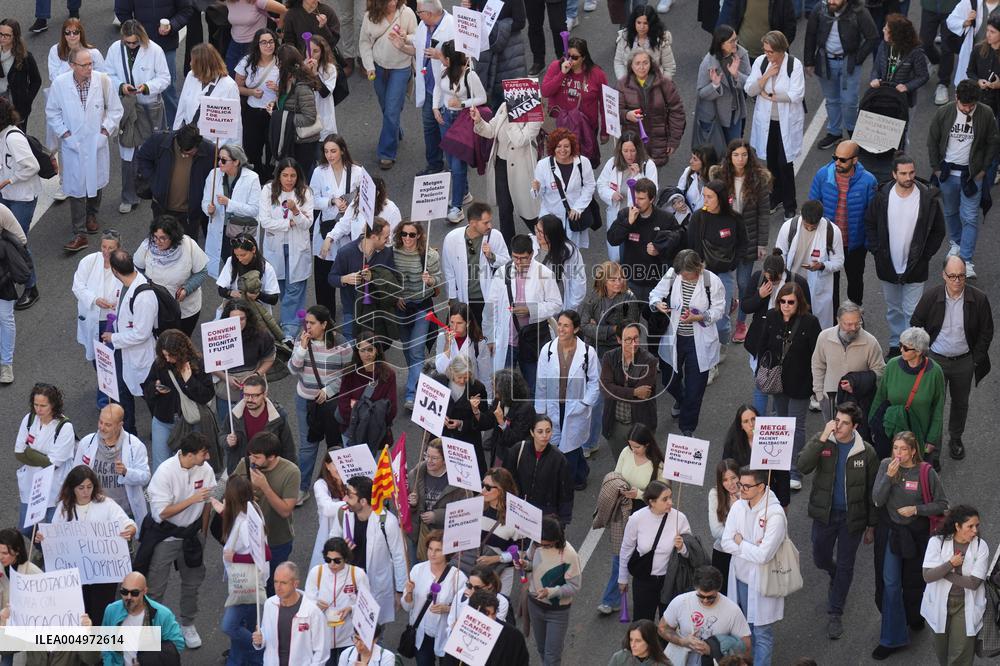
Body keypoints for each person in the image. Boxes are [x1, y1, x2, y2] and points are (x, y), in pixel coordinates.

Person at [797, 403, 879, 639]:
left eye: (844, 422)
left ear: (855, 426)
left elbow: (872, 492)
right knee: (819, 557)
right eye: (837, 420)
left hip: (852, 519)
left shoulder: (867, 452)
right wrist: (822, 438)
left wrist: (872, 526)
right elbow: (802, 466)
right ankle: (833, 573)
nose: (838, 425)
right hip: (825, 514)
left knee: (846, 564)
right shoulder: (824, 441)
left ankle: (835, 612)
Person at [871, 431, 949, 659]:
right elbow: (877, 499)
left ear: (914, 451)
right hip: (891, 534)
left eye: (903, 449)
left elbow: (942, 503)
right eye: (895, 448)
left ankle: (915, 616)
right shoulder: (886, 465)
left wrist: (917, 510)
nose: (898, 453)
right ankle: (891, 638)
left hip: (916, 535)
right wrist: (888, 477)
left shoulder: (926, 472)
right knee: (891, 583)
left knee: (914, 582)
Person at [137, 432, 217, 649]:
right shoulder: (164, 473)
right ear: (189, 454)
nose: (207, 457)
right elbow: (162, 512)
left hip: (191, 535)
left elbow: (208, 502)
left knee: (192, 584)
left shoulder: (206, 470)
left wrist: (203, 532)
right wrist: (192, 499)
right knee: (154, 587)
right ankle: (151, 628)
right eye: (203, 453)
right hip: (166, 536)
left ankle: (188, 624)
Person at [911, 256, 993, 461]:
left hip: (964, 361)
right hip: (936, 360)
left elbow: (986, 331)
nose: (957, 280)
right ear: (943, 276)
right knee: (934, 405)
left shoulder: (979, 299)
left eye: (961, 276)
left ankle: (956, 438)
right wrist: (923, 354)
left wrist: (975, 360)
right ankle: (933, 448)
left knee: (960, 403)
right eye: (953, 276)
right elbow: (916, 323)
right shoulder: (931, 297)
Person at [865, 154, 947, 355]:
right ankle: (895, 344)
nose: (908, 177)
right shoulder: (882, 197)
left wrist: (925, 255)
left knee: (913, 311)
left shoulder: (927, 198)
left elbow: (939, 230)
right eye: (903, 173)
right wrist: (877, 251)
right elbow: (870, 224)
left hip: (916, 266)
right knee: (894, 309)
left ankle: (911, 348)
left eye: (911, 172)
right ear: (894, 174)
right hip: (888, 265)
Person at [46, 46, 124, 253]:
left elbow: (116, 110)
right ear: (72, 66)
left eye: (90, 63)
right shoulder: (60, 85)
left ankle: (92, 213)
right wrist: (65, 135)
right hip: (73, 144)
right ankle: (79, 232)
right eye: (84, 65)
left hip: (96, 141)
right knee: (76, 187)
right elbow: (52, 112)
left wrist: (105, 132)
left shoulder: (103, 80)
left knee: (96, 180)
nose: (89, 68)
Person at [44, 465, 137, 621]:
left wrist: (130, 529)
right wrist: (44, 538)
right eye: (81, 488)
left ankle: (99, 643)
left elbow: (128, 523)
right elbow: (54, 534)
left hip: (103, 574)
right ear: (72, 488)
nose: (86, 492)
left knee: (101, 612)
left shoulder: (106, 504)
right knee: (79, 612)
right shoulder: (64, 507)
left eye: (89, 487)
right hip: (76, 574)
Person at [649, 250, 727, 436]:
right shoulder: (673, 274)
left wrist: (698, 317)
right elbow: (655, 294)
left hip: (699, 341)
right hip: (675, 338)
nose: (683, 277)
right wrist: (658, 303)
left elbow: (719, 310)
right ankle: (682, 400)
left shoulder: (712, 281)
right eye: (681, 274)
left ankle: (687, 427)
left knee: (695, 388)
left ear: (698, 268)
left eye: (687, 275)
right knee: (669, 378)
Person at [928, 79, 1000, 279]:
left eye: (971, 106)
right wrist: (935, 168)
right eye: (964, 105)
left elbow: (993, 142)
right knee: (950, 212)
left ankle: (966, 260)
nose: (968, 109)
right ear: (956, 97)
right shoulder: (944, 113)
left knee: (970, 217)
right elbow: (932, 140)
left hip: (971, 176)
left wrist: (983, 170)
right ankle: (956, 243)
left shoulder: (985, 113)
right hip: (947, 174)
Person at [755, 282, 822, 488]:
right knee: (781, 423)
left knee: (796, 426)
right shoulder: (772, 317)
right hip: (777, 380)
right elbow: (763, 346)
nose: (785, 305)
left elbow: (817, 355)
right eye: (782, 301)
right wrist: (761, 372)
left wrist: (814, 384)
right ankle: (780, 464)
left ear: (798, 302)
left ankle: (795, 470)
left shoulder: (810, 322)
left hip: (801, 382)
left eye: (790, 302)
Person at [720, 467, 788, 666]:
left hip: (763, 581)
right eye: (741, 484)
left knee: (762, 632)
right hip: (741, 578)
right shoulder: (738, 506)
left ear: (761, 486)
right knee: (747, 629)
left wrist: (741, 542)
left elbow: (764, 555)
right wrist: (750, 546)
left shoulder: (775, 515)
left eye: (747, 486)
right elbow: (725, 542)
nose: (741, 489)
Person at [287, 304, 352, 503]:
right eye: (306, 322)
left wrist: (329, 390)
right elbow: (292, 369)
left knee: (336, 446)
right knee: (307, 446)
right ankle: (302, 488)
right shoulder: (301, 340)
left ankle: (340, 487)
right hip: (306, 401)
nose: (307, 327)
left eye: (312, 323)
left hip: (331, 403)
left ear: (324, 324)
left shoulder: (340, 343)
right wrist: (301, 350)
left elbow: (349, 372)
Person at [482, 234, 563, 391]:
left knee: (534, 386)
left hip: (532, 340)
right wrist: (490, 338)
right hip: (507, 341)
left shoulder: (544, 274)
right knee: (502, 388)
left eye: (523, 258)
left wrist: (530, 310)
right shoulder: (501, 273)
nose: (518, 262)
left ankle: (533, 414)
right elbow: (490, 308)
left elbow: (556, 304)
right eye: (515, 257)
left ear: (532, 254)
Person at [105, 19, 170, 215]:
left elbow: (165, 78)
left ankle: (153, 190)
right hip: (127, 107)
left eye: (135, 42)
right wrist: (121, 86)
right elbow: (108, 73)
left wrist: (147, 87)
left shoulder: (155, 50)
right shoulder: (115, 49)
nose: (131, 45)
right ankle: (128, 196)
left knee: (151, 150)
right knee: (127, 150)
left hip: (150, 106)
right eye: (128, 42)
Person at [712, 139, 772, 344]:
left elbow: (764, 213)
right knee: (723, 282)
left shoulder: (758, 180)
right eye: (736, 155)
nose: (740, 159)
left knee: (744, 283)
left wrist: (762, 243)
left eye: (744, 155)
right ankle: (725, 315)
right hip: (725, 239)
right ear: (729, 157)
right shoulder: (720, 177)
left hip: (748, 238)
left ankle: (741, 322)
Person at [327, 476, 408, 626]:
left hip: (375, 585)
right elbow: (330, 543)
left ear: (363, 501)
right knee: (347, 628)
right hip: (348, 582)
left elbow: (399, 556)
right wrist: (340, 548)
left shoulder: (387, 522)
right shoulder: (343, 513)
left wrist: (400, 591)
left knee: (375, 629)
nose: (344, 498)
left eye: (349, 495)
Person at [535, 310, 600, 490]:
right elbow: (541, 381)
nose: (561, 329)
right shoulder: (547, 350)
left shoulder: (588, 352)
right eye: (560, 324)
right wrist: (540, 410)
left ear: (576, 329)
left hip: (576, 407)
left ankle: (568, 482)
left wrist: (585, 403)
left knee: (570, 443)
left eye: (566, 326)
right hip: (553, 406)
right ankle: (581, 472)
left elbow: (595, 381)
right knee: (562, 441)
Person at [741, 253, 813, 417]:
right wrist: (759, 296)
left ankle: (777, 418)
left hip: (788, 343)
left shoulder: (798, 282)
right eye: (768, 278)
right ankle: (760, 424)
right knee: (762, 383)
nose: (772, 282)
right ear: (764, 271)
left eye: (776, 279)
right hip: (761, 340)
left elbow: (808, 312)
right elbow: (745, 306)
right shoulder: (758, 278)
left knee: (783, 384)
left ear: (783, 271)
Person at [745, 30, 805, 219]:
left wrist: (770, 96)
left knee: (785, 163)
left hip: (786, 123)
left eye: (770, 51)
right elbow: (750, 89)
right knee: (771, 162)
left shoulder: (794, 65)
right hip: (767, 122)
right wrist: (765, 77)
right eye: (765, 51)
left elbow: (796, 94)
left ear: (781, 50)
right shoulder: (761, 63)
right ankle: (775, 196)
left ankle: (790, 203)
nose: (767, 54)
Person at [804, 0, 879, 149]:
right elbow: (810, 35)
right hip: (825, 61)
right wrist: (809, 61)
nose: (831, 1)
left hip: (849, 62)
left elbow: (872, 37)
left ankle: (853, 132)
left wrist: (857, 59)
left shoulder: (859, 11)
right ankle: (834, 133)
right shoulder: (820, 9)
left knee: (849, 101)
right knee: (831, 99)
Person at [921, 505, 989, 666]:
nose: (975, 531)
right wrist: (951, 563)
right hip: (939, 604)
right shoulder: (937, 542)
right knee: (942, 653)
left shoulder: (981, 546)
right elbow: (927, 576)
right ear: (957, 526)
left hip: (965, 606)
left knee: (960, 657)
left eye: (976, 526)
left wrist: (943, 571)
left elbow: (973, 583)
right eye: (970, 526)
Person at [233, 432, 300, 595]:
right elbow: (230, 491)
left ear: (272, 457)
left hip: (277, 540)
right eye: (250, 455)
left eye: (256, 457)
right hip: (248, 539)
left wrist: (264, 486)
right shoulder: (245, 464)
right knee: (247, 590)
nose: (252, 460)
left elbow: (285, 511)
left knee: (273, 589)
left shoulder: (291, 472)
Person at [870, 327, 947, 465]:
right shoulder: (892, 365)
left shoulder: (935, 372)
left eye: (905, 348)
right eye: (900, 345)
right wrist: (872, 425)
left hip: (919, 436)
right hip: (891, 434)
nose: (900, 350)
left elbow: (938, 408)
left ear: (918, 351)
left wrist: (932, 439)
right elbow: (880, 397)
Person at [141, 329, 216, 471]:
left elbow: (206, 395)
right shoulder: (160, 364)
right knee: (161, 466)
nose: (168, 359)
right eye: (164, 355)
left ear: (181, 352)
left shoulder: (198, 364)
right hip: (163, 420)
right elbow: (146, 389)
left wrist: (189, 381)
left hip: (190, 422)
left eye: (171, 355)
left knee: (191, 465)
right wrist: (155, 389)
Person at [470, 98, 542, 244]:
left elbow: (520, 140)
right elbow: (491, 130)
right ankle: (508, 249)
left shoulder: (535, 111)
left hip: (522, 168)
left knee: (527, 211)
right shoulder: (504, 105)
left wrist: (512, 118)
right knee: (504, 210)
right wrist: (479, 121)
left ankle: (545, 239)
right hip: (501, 164)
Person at [102, 250, 158, 436]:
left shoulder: (144, 295)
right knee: (123, 393)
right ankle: (129, 432)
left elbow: (141, 333)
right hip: (125, 353)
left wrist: (113, 338)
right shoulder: (125, 286)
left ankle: (161, 428)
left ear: (115, 271)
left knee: (149, 396)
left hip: (141, 355)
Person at [686, 180, 748, 350]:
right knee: (702, 315)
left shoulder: (734, 219)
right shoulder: (698, 217)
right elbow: (691, 247)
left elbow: (743, 243)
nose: (705, 200)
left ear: (720, 199)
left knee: (721, 320)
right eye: (704, 196)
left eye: (709, 197)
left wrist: (733, 263)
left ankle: (722, 346)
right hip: (701, 275)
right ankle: (706, 350)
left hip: (724, 276)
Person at [618, 480, 692, 621]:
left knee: (670, 624)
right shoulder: (636, 519)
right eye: (665, 499)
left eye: (670, 497)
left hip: (670, 580)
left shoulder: (680, 518)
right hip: (644, 580)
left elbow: (692, 553)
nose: (670, 502)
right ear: (651, 502)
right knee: (643, 624)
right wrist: (622, 578)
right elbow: (626, 548)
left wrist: (682, 547)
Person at [259, 158, 314, 340]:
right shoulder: (268, 191)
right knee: (281, 288)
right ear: (278, 176)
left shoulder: (305, 192)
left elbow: (307, 224)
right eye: (285, 175)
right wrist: (289, 223)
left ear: (298, 176)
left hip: (297, 248)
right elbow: (264, 221)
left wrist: (296, 211)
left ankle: (288, 332)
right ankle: (293, 320)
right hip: (276, 247)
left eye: (293, 175)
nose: (289, 179)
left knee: (294, 289)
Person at [359, 0, 417, 171]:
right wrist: (369, 66)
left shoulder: (407, 14)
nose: (393, 2)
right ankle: (394, 129)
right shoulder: (369, 16)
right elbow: (364, 43)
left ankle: (386, 153)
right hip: (378, 68)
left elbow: (418, 38)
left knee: (391, 109)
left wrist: (406, 37)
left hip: (401, 68)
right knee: (387, 107)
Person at [432, 42, 486, 224]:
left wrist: (462, 104)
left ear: (450, 59)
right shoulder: (443, 69)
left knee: (457, 165)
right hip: (446, 118)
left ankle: (457, 207)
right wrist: (435, 108)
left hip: (462, 119)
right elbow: (438, 88)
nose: (440, 58)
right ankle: (463, 193)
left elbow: (482, 98)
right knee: (450, 159)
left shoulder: (470, 75)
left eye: (443, 56)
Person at [114, 0, 193, 125]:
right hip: (139, 45)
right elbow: (122, 11)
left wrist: (172, 26)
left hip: (166, 44)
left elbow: (186, 10)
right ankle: (143, 127)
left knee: (167, 88)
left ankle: (174, 130)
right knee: (139, 86)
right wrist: (135, 32)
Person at [137, 123, 217, 244]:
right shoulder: (159, 141)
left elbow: (217, 175)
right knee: (161, 245)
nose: (186, 155)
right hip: (162, 209)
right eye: (183, 152)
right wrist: (154, 181)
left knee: (187, 250)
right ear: (177, 142)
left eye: (190, 153)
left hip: (190, 215)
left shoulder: (210, 151)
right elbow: (143, 157)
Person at [313, 135, 367, 314]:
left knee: (349, 277)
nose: (329, 155)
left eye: (333, 151)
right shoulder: (319, 172)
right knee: (324, 277)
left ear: (342, 150)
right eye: (326, 151)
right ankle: (325, 318)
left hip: (349, 231)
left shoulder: (358, 172)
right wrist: (331, 201)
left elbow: (366, 198)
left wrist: (351, 205)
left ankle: (351, 315)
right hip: (326, 227)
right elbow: (312, 200)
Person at [73, 404, 150, 527]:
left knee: (123, 546)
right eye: (101, 422)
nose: (102, 427)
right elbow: (74, 474)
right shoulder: (87, 443)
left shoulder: (135, 446)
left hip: (124, 513)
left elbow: (145, 477)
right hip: (94, 511)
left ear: (120, 425)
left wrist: (126, 472)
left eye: (108, 424)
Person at [216, 475, 266, 666]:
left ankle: (263, 648)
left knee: (231, 626)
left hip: (245, 585)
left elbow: (264, 553)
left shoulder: (245, 523)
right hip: (247, 581)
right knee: (249, 625)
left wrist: (234, 557)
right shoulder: (251, 511)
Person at [0, 86, 41, 313]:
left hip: (22, 197)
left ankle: (31, 286)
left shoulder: (13, 138)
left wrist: (9, 180)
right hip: (7, 195)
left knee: (18, 240)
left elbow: (31, 166)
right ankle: (10, 278)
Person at [659, 565, 753, 665]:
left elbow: (746, 645)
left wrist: (713, 649)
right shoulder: (681, 601)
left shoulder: (732, 610)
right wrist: (683, 641)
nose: (705, 600)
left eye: (711, 597)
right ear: (695, 588)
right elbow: (662, 628)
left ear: (718, 589)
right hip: (683, 659)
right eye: (701, 596)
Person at [134, 215, 210, 337]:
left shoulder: (189, 245)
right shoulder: (147, 246)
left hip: (184, 309)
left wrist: (187, 288)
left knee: (181, 341)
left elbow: (201, 272)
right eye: (155, 237)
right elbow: (137, 268)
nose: (158, 242)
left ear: (173, 236)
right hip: (157, 308)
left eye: (163, 238)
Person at [774, 199, 846, 328]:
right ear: (801, 214)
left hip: (817, 287)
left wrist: (822, 266)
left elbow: (839, 262)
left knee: (816, 325)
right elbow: (779, 254)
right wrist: (781, 269)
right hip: (792, 283)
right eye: (807, 225)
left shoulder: (833, 231)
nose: (809, 228)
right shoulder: (789, 227)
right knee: (789, 321)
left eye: (814, 226)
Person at [14, 384, 76, 533]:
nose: (38, 409)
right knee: (26, 529)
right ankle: (42, 551)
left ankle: (49, 556)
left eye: (43, 405)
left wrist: (29, 452)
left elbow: (52, 464)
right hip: (32, 485)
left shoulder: (64, 427)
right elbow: (18, 453)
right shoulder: (29, 419)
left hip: (55, 487)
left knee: (53, 532)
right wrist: (36, 456)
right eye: (36, 404)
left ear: (53, 405)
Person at [607, 177, 676, 308]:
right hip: (631, 280)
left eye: (642, 199)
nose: (637, 202)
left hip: (656, 282)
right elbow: (612, 239)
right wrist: (628, 223)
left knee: (656, 323)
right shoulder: (626, 214)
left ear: (652, 199)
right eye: (636, 198)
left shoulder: (666, 219)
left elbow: (678, 241)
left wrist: (660, 248)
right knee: (629, 321)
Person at [393, 220, 441, 406]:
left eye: (412, 234)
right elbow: (388, 278)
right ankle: (418, 378)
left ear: (419, 235)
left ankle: (412, 394)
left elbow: (439, 279)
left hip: (422, 307)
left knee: (416, 350)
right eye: (404, 234)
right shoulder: (393, 254)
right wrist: (396, 296)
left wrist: (430, 281)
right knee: (407, 349)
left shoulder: (429, 255)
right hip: (401, 308)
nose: (407, 238)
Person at [73, 230, 124, 407]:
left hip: (112, 322)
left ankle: (106, 401)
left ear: (118, 248)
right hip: (93, 320)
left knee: (108, 360)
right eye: (103, 246)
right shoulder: (89, 261)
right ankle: (110, 389)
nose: (106, 251)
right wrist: (95, 300)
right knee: (98, 360)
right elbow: (77, 286)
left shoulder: (123, 265)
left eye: (110, 248)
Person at [811, 300, 886, 421]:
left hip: (858, 403)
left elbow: (880, 371)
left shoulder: (871, 342)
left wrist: (857, 383)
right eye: (848, 324)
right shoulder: (824, 337)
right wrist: (819, 394)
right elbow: (818, 365)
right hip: (830, 400)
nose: (854, 328)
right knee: (832, 436)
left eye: (857, 323)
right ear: (838, 321)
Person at [402, 530, 468, 664]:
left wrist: (448, 608)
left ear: (447, 553)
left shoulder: (458, 577)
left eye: (438, 550)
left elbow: (465, 609)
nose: (432, 553)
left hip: (445, 634)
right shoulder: (417, 570)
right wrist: (408, 593)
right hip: (421, 633)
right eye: (430, 548)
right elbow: (407, 607)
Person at [541, 38, 609, 168]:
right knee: (560, 167)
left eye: (575, 57)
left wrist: (605, 131)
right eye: (567, 56)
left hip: (585, 129)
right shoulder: (556, 67)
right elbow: (545, 91)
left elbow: (605, 104)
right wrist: (562, 74)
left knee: (583, 168)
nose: (570, 60)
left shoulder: (597, 74)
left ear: (584, 57)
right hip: (559, 129)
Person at [305, 537, 372, 665]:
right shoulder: (316, 573)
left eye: (337, 561)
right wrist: (315, 606)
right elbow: (307, 602)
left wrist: (351, 609)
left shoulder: (358, 574)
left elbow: (367, 605)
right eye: (328, 560)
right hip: (323, 638)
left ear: (345, 558)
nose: (332, 565)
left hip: (350, 638)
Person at [328, 216, 395, 339]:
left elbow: (393, 281)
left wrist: (374, 277)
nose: (388, 240)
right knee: (351, 350)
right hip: (351, 312)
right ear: (374, 237)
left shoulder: (387, 254)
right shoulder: (345, 252)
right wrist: (344, 279)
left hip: (376, 312)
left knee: (373, 352)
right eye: (385, 237)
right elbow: (332, 278)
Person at [532, 128, 598, 252]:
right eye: (559, 146)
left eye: (566, 146)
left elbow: (589, 186)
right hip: (550, 217)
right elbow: (539, 194)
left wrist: (578, 207)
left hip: (574, 216)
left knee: (572, 252)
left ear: (572, 146)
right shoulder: (543, 165)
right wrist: (537, 188)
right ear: (553, 147)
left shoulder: (583, 163)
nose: (562, 150)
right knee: (549, 251)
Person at [99, 572, 186, 666]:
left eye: (134, 593)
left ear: (145, 591)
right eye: (124, 592)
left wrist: (147, 661)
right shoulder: (112, 610)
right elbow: (105, 642)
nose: (128, 597)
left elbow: (177, 645)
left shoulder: (162, 615)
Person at [596, 133, 658, 264]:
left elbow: (653, 191)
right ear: (620, 150)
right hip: (617, 216)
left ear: (638, 150)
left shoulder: (648, 165)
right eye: (625, 151)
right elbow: (601, 184)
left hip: (638, 218)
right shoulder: (612, 163)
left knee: (634, 254)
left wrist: (638, 176)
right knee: (616, 256)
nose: (629, 155)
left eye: (632, 151)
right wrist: (611, 194)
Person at [618, 50, 686, 167]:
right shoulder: (623, 85)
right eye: (637, 63)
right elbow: (614, 112)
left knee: (653, 181)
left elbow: (677, 112)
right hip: (633, 144)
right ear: (631, 65)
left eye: (645, 63)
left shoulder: (665, 84)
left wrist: (674, 141)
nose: (642, 67)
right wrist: (626, 115)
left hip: (659, 142)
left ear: (651, 64)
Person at [599, 325, 658, 460]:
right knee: (621, 466)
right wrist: (633, 391)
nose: (634, 343)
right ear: (619, 340)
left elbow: (644, 394)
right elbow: (605, 388)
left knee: (643, 465)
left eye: (636, 338)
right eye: (628, 339)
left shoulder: (649, 361)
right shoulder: (609, 357)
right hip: (615, 425)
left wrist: (615, 388)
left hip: (639, 424)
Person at [503, 414, 574, 526]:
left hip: (546, 515)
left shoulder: (559, 459)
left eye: (548, 431)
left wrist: (563, 521)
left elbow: (565, 492)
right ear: (532, 432)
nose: (545, 435)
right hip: (520, 510)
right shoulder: (518, 450)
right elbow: (506, 479)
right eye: (540, 432)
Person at [252, 562, 328, 664]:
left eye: (283, 583)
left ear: (295, 584)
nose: (278, 587)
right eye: (275, 582)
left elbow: (322, 651)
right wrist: (260, 640)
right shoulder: (269, 604)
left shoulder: (313, 612)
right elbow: (266, 634)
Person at [213, 299, 276, 421]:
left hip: (254, 393)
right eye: (233, 320)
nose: (238, 323)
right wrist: (226, 378)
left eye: (241, 319)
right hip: (227, 394)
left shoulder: (261, 335)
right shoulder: (216, 336)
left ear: (248, 318)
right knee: (228, 432)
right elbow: (211, 364)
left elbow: (269, 358)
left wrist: (256, 375)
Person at [407, 438, 470, 560]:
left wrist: (437, 516)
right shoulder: (416, 473)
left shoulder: (459, 481)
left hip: (444, 539)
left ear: (445, 460)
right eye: (427, 456)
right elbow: (404, 506)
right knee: (417, 572)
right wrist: (412, 504)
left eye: (434, 458)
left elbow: (466, 511)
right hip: (419, 535)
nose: (429, 461)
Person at [221, 373, 295, 474]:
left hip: (268, 471)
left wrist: (289, 473)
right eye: (246, 395)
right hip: (241, 470)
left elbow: (288, 448)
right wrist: (227, 441)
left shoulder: (278, 416)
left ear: (264, 394)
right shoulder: (234, 414)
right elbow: (221, 435)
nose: (250, 399)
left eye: (255, 395)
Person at [336, 328, 398, 448]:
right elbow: (343, 403)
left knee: (372, 466)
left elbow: (391, 408)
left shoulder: (388, 374)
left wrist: (359, 411)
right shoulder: (349, 372)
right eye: (362, 350)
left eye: (370, 349)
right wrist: (359, 421)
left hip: (373, 433)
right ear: (357, 352)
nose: (367, 354)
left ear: (377, 350)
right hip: (351, 430)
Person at [413, 1, 455, 177]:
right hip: (430, 88)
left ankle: (456, 169)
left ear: (428, 14)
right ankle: (434, 165)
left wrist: (440, 56)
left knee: (448, 132)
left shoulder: (452, 27)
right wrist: (402, 46)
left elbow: (464, 63)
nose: (416, 13)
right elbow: (418, 49)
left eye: (419, 11)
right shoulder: (423, 25)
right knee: (429, 129)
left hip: (447, 93)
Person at [696, 25, 752, 155]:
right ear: (721, 44)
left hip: (734, 114)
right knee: (716, 154)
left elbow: (750, 83)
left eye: (736, 39)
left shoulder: (741, 54)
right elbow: (701, 92)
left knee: (735, 151)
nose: (735, 43)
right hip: (714, 117)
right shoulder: (707, 62)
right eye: (731, 41)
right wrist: (715, 85)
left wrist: (736, 75)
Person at [234, 28, 279, 175]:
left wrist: (278, 89)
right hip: (252, 112)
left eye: (271, 42)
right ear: (257, 45)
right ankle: (257, 178)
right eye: (264, 42)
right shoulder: (246, 62)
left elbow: (291, 89)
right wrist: (251, 92)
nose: (268, 45)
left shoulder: (282, 61)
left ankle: (271, 179)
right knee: (253, 150)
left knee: (273, 150)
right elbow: (237, 87)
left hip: (274, 112)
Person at [173, 43, 241, 141]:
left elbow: (235, 124)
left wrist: (232, 151)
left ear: (203, 65)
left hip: (214, 145)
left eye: (193, 61)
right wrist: (175, 134)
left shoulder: (229, 86)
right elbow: (182, 105)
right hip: (190, 140)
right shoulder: (191, 75)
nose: (190, 63)